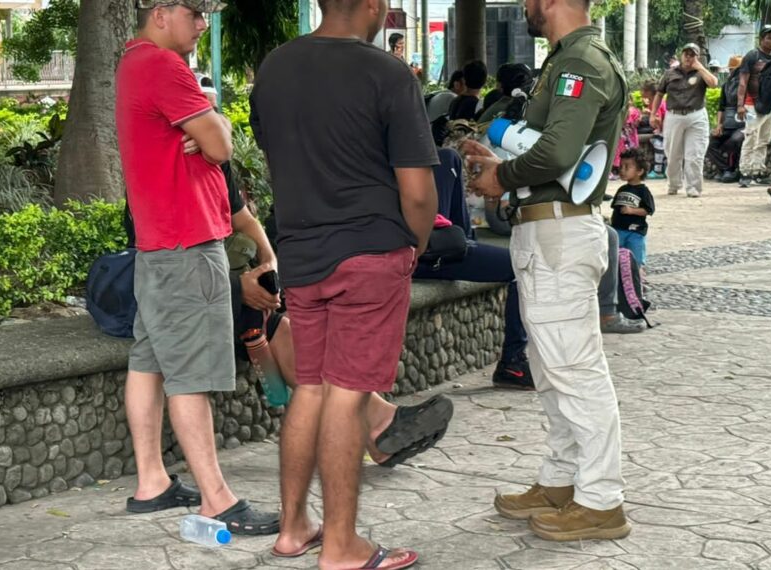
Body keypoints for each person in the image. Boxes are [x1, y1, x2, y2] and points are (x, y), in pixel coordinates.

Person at [250, 0, 440, 566]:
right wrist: (415, 245)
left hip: (302, 252)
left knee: (311, 386)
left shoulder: (274, 68)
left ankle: (293, 528)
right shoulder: (386, 73)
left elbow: (278, 156)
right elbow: (419, 192)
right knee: (348, 392)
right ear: (374, 6)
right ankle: (341, 546)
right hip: (370, 252)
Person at [462, 0, 631, 542]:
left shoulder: (580, 61)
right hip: (546, 230)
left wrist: (500, 177)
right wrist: (501, 164)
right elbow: (554, 150)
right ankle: (562, 480)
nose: (525, 5)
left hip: (560, 233)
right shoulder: (567, 58)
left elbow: (557, 152)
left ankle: (601, 500)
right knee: (552, 364)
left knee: (574, 367)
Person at [115, 0, 279, 536]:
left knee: (149, 361)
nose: (204, 23)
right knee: (189, 374)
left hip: (158, 244)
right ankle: (217, 499)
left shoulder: (133, 61)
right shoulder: (164, 65)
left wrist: (210, 126)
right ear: (162, 12)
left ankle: (152, 482)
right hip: (186, 243)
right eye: (196, 11)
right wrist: (215, 126)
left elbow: (212, 140)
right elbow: (222, 145)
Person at [416, 148, 534, 390]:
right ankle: (513, 362)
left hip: (434, 247)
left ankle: (514, 361)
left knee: (448, 157)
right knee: (523, 267)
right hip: (424, 253)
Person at [651, 43, 717, 198]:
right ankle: (673, 184)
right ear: (681, 55)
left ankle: (693, 187)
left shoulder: (701, 73)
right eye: (686, 54)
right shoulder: (670, 73)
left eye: (692, 55)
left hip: (696, 115)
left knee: (695, 154)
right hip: (674, 115)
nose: (688, 57)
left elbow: (714, 84)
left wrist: (700, 67)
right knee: (672, 153)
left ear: (697, 57)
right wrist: (653, 114)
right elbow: (659, 94)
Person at [737, 25, 771, 188]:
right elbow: (743, 82)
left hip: (770, 105)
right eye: (769, 38)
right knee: (750, 137)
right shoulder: (752, 56)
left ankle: (758, 171)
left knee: (763, 140)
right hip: (751, 104)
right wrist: (740, 105)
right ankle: (745, 172)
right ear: (761, 40)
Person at [610, 148, 655, 272]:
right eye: (621, 167)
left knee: (635, 258)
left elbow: (648, 210)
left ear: (640, 171)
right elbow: (615, 208)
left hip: (635, 232)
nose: (622, 170)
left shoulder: (643, 191)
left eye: (627, 167)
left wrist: (632, 211)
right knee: (617, 257)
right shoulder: (621, 189)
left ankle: (638, 276)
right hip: (618, 229)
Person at [708, 56, 746, 183]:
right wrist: (719, 125)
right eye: (732, 70)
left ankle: (733, 170)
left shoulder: (748, 84)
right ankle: (726, 169)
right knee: (712, 142)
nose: (733, 72)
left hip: (743, 124)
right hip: (728, 123)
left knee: (734, 140)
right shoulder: (726, 85)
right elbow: (721, 107)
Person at [639, 81, 667, 180]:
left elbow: (659, 119)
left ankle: (658, 171)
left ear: (648, 92)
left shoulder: (657, 102)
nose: (641, 92)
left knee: (657, 141)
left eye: (642, 90)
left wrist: (651, 114)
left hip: (665, 130)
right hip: (661, 129)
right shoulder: (652, 102)